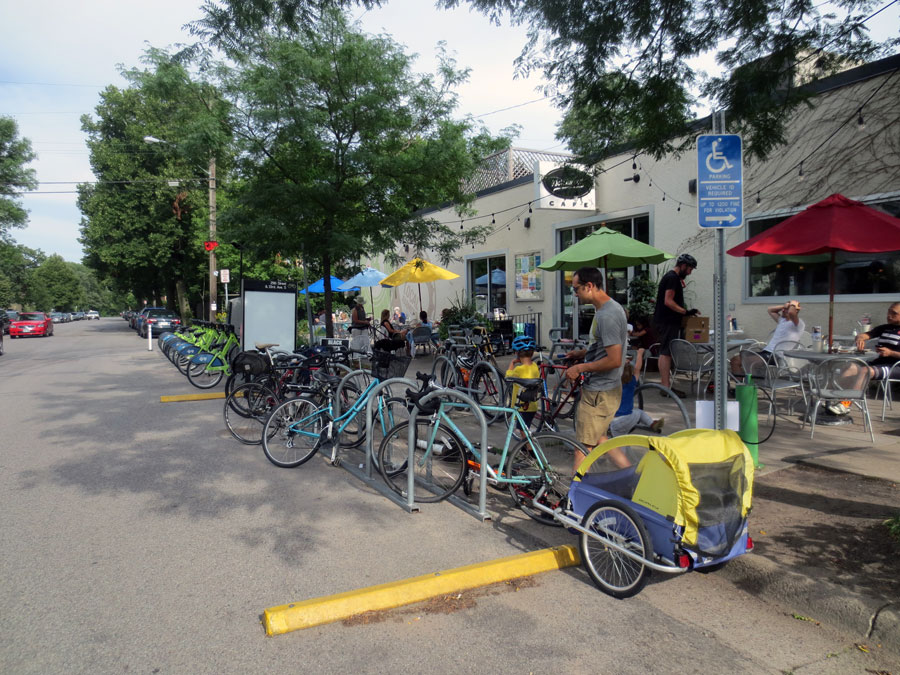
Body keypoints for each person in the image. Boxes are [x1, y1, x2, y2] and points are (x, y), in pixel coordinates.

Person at [563, 267, 629, 471]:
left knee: (582, 447)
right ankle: (634, 477)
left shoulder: (606, 315)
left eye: (576, 289)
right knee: (601, 439)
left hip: (599, 391)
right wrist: (582, 353)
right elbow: (605, 348)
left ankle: (572, 499)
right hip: (606, 389)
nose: (575, 294)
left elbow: (615, 360)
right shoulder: (608, 309)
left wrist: (581, 367)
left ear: (589, 286)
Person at [653, 253, 699, 397]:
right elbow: (668, 301)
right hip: (668, 321)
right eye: (690, 269)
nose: (690, 272)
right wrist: (685, 311)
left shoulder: (670, 277)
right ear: (683, 266)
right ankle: (666, 388)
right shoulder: (672, 278)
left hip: (665, 320)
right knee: (666, 354)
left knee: (665, 352)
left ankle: (665, 386)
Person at [609, 348, 665, 437]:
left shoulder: (612, 384)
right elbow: (637, 368)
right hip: (628, 418)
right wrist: (639, 353)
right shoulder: (631, 383)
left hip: (614, 421)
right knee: (639, 412)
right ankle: (652, 424)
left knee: (620, 443)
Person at [855, 301, 900, 383]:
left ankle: (853, 395)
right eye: (889, 312)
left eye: (894, 313)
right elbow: (864, 335)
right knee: (850, 368)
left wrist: (890, 353)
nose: (889, 315)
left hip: (896, 366)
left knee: (865, 371)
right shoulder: (884, 328)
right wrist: (860, 339)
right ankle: (840, 395)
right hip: (880, 363)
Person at [505, 335, 541, 438]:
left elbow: (508, 377)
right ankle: (526, 448)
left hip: (521, 406)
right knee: (526, 427)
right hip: (532, 405)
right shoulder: (534, 366)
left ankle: (530, 451)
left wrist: (512, 363)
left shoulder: (518, 370)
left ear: (516, 353)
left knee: (522, 430)